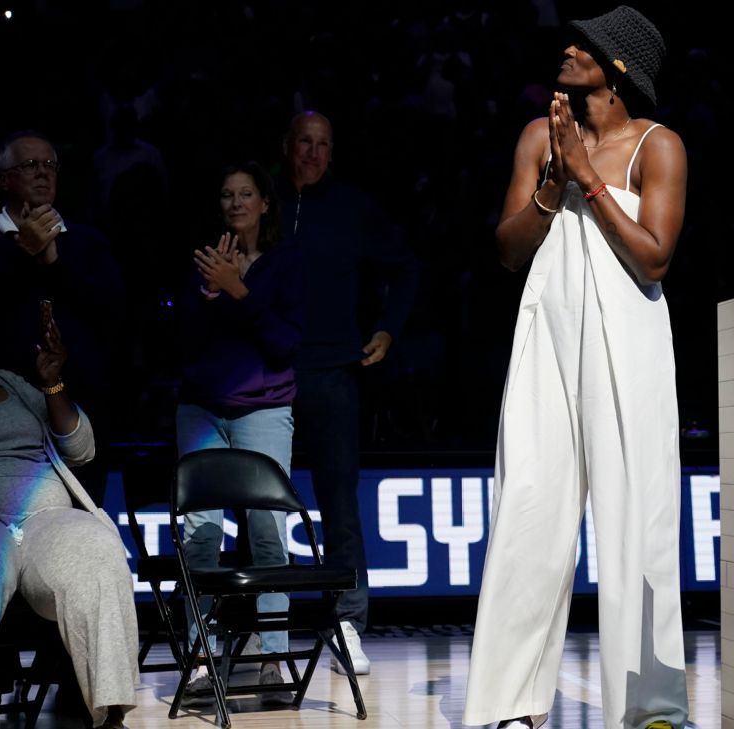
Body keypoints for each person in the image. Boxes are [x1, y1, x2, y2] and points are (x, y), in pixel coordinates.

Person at [463, 7, 689, 729]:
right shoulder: (539, 137)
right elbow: (507, 249)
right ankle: (509, 704)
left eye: (585, 44)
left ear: (618, 67)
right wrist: (552, 183)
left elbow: (654, 257)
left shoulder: (659, 147)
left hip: (629, 339)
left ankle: (650, 706)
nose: (568, 48)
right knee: (528, 507)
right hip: (549, 332)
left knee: (638, 516)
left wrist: (588, 177)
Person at [274, 111, 419, 675]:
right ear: (287, 147)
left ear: (332, 153)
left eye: (323, 145)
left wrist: (387, 329)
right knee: (261, 505)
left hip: (334, 372)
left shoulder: (355, 209)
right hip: (266, 376)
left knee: (340, 508)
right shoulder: (262, 202)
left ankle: (348, 625)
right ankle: (260, 623)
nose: (313, 153)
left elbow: (407, 268)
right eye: (304, 142)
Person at [0, 296, 138, 729]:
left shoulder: (13, 384)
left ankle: (111, 714)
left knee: (95, 547)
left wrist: (53, 385)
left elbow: (81, 449)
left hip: (43, 517)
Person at [175, 162, 304, 703]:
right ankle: (202, 658)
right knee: (200, 534)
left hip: (265, 409)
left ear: (265, 203)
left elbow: (287, 344)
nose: (235, 203)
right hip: (203, 409)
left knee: (268, 533)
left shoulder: (287, 262)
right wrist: (208, 298)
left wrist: (240, 292)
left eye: (246, 193)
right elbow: (179, 341)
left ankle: (273, 656)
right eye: (226, 195)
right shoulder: (203, 262)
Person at [0, 131, 125, 507]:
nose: (43, 173)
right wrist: (22, 253)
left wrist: (54, 263)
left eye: (50, 165)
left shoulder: (87, 241)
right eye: (30, 165)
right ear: (4, 180)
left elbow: (112, 315)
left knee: (80, 519)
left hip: (78, 405)